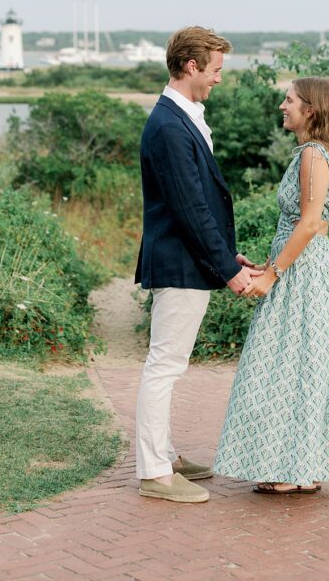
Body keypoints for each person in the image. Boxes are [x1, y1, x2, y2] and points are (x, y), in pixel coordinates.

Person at [213, 76, 329, 493]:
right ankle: (299, 463)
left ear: (310, 109)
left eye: (289, 99)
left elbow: (312, 222)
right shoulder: (320, 153)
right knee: (303, 361)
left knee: (284, 361)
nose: (283, 106)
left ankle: (288, 467)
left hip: (301, 272)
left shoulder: (314, 155)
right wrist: (273, 260)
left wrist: (273, 274)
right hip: (308, 267)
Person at [134, 26, 258, 504]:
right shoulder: (168, 125)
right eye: (216, 70)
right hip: (180, 263)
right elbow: (190, 210)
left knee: (169, 364)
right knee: (164, 365)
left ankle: (163, 452)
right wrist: (228, 271)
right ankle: (155, 474)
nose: (219, 79)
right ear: (191, 66)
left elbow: (199, 202)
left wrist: (228, 256)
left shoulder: (181, 116)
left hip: (189, 260)